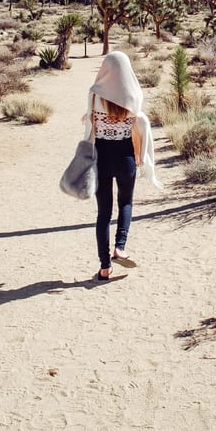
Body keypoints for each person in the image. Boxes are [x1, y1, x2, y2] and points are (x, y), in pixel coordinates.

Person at [85, 51, 160, 280]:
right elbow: (140, 120)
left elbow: (89, 123)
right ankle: (120, 246)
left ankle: (105, 266)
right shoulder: (134, 95)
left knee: (103, 214)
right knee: (126, 203)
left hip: (102, 157)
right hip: (126, 156)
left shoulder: (95, 95)